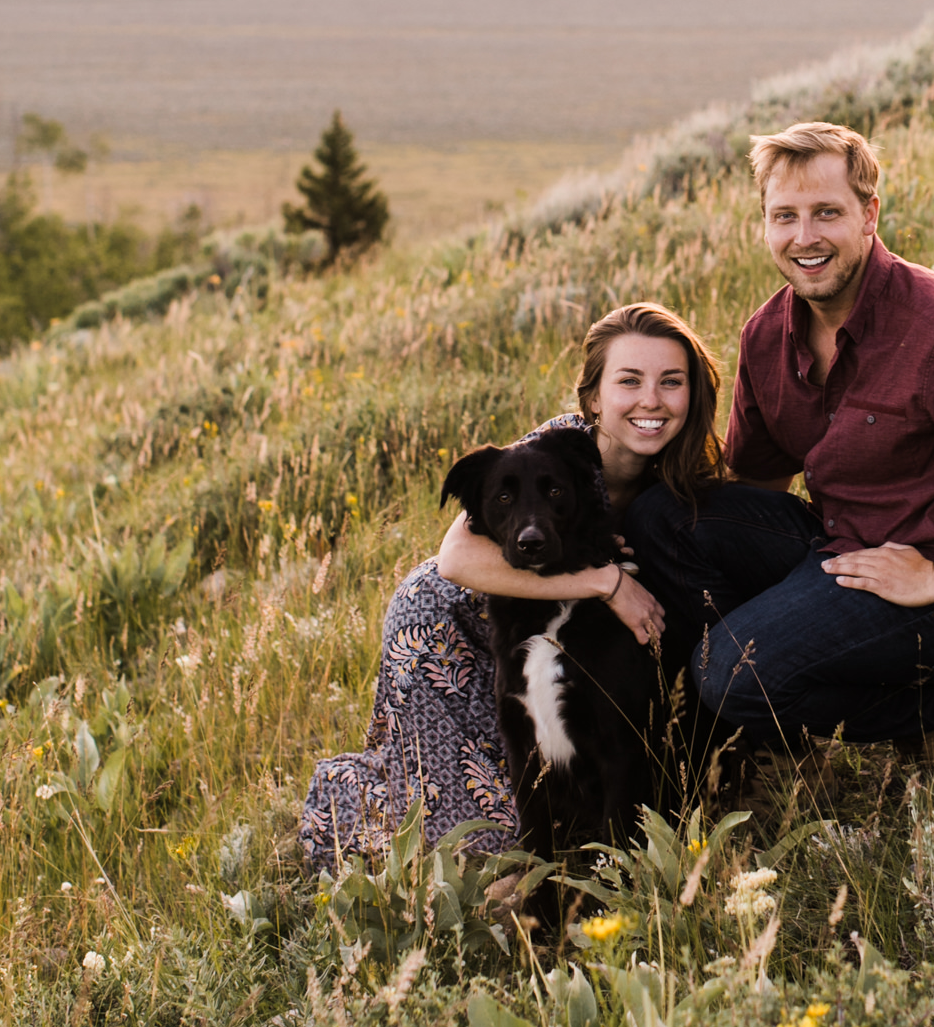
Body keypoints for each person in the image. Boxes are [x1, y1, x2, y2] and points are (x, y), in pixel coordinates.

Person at [626, 121, 934, 752]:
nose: (804, 238)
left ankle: (930, 713)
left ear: (869, 214)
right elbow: (754, 488)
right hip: (841, 552)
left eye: (827, 213)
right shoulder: (767, 335)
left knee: (728, 672)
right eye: (784, 216)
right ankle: (750, 715)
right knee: (665, 516)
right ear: (765, 223)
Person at [299, 301, 726, 866]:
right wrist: (605, 582)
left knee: (548, 781)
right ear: (593, 398)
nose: (650, 400)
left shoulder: (689, 471)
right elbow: (454, 558)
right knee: (486, 822)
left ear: (694, 392)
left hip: (540, 636)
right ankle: (363, 816)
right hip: (451, 621)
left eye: (671, 382)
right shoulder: (558, 447)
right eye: (629, 381)